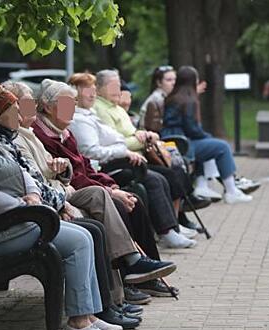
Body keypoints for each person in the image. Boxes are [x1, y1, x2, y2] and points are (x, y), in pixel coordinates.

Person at [0, 79, 122, 330]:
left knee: (85, 236)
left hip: (16, 222)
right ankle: (78, 322)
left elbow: (22, 173)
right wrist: (25, 205)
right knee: (78, 241)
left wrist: (32, 196)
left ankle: (89, 315)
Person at [0, 83, 175, 323]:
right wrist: (65, 198)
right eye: (22, 105)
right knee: (101, 215)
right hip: (51, 201)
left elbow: (70, 168)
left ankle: (134, 277)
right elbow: (36, 180)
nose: (28, 109)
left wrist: (103, 184)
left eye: (28, 103)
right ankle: (118, 292)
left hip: (61, 191)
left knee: (119, 198)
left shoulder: (35, 133)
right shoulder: (30, 135)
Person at [31, 79, 186, 298]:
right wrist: (112, 192)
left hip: (87, 185)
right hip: (68, 192)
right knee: (120, 205)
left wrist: (111, 185)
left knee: (134, 201)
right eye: (67, 103)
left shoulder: (65, 132)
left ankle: (149, 275)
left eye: (73, 102)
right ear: (47, 107)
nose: (72, 108)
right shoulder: (44, 135)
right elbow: (73, 178)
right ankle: (129, 277)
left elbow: (84, 166)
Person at [91, 70, 199, 244]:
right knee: (156, 179)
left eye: (119, 84)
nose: (118, 89)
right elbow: (116, 143)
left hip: (136, 158)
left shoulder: (116, 108)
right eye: (113, 85)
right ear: (101, 87)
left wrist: (141, 134)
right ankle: (167, 230)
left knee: (169, 173)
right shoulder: (101, 109)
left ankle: (173, 226)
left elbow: (131, 134)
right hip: (118, 162)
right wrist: (143, 139)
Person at [162, 66, 260, 204]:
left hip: (174, 141)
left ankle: (202, 185)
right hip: (184, 144)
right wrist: (207, 136)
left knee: (209, 146)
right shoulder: (188, 101)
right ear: (192, 82)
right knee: (222, 147)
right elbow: (193, 130)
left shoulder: (172, 98)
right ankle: (231, 191)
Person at [140, 65, 177, 133]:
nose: (173, 83)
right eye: (169, 80)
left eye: (175, 79)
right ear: (159, 83)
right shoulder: (157, 100)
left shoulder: (166, 97)